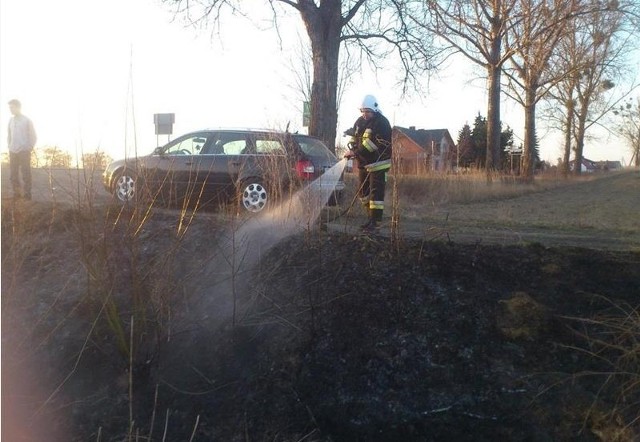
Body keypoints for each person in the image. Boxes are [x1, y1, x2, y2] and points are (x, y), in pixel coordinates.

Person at [345, 95, 392, 232]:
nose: (365, 114)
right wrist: (352, 148)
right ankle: (369, 218)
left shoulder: (382, 123)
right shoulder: (360, 121)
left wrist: (356, 152)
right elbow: (355, 136)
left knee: (375, 195)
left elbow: (373, 144)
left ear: (375, 110)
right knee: (363, 193)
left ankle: (375, 222)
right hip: (364, 163)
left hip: (378, 163)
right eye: (363, 111)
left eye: (368, 111)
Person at [7, 99, 37, 200]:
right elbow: (9, 135)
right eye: (10, 108)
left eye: (12, 107)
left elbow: (33, 136)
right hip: (13, 151)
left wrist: (29, 147)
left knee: (26, 173)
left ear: (18, 107)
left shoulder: (26, 120)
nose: (10, 110)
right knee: (13, 174)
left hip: (24, 151)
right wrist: (9, 146)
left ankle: (27, 194)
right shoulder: (10, 120)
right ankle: (17, 194)